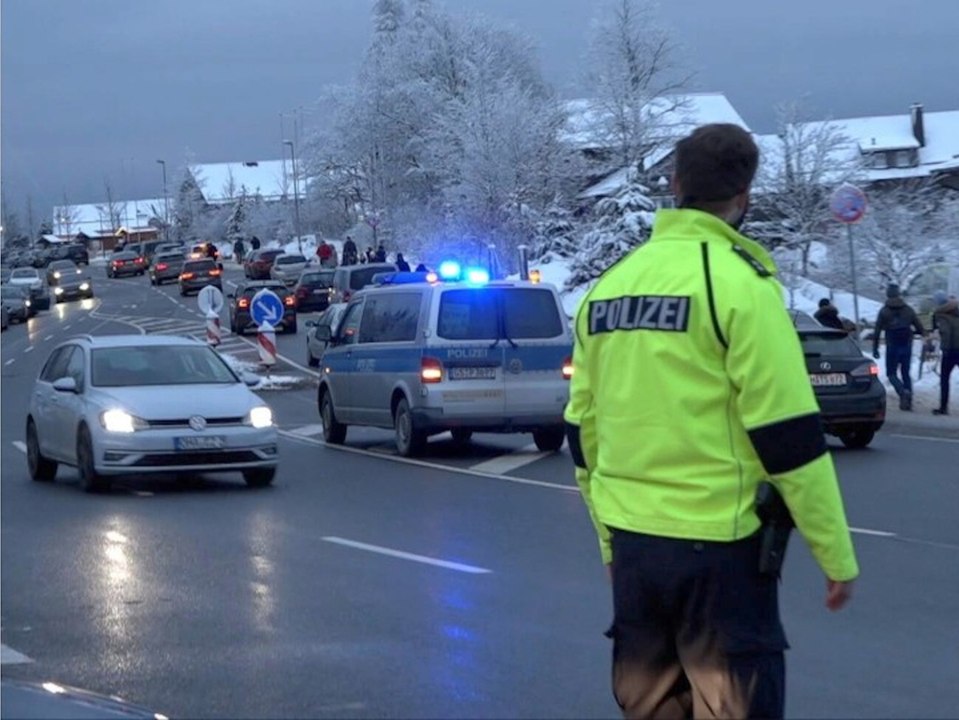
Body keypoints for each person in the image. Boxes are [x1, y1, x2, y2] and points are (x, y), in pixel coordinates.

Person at [564, 124, 858, 720]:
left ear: (674, 185)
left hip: (635, 551)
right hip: (720, 557)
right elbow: (789, 440)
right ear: (744, 197)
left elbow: (582, 434)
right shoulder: (741, 288)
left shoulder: (608, 289)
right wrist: (836, 557)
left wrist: (610, 543)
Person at [872, 284, 925, 411]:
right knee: (906, 373)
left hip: (892, 345)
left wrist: (875, 348)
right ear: (898, 294)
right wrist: (913, 333)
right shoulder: (908, 310)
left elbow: (877, 330)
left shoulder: (884, 311)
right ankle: (908, 402)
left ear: (888, 294)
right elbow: (920, 328)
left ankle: (902, 392)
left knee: (891, 373)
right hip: (906, 344)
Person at [931, 291, 959, 416]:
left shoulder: (939, 315)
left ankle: (943, 407)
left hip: (950, 351)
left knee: (944, 379)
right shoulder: (957, 310)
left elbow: (945, 333)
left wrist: (945, 348)